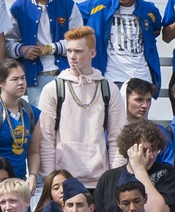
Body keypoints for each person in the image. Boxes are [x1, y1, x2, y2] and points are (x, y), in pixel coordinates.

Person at [38, 26, 125, 189]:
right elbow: (46, 138)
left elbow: (117, 138)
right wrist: (50, 181)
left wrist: (114, 179)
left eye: (78, 51)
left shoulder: (109, 89)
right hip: (63, 181)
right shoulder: (53, 89)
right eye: (69, 51)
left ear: (92, 53)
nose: (72, 56)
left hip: (100, 182)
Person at [5, 0, 84, 105]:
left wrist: (51, 48)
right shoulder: (18, 7)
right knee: (39, 122)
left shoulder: (67, 4)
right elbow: (7, 42)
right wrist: (22, 50)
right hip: (33, 78)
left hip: (65, 75)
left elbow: (79, 40)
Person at [78, 0, 163, 93]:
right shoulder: (99, 6)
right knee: (110, 113)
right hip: (111, 77)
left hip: (142, 76)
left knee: (139, 113)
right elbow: (69, 13)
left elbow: (155, 30)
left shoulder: (149, 10)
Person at [92, 119, 175, 212]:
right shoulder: (108, 178)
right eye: (143, 150)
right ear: (129, 149)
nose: (150, 156)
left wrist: (139, 169)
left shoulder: (168, 173)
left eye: (154, 149)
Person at [0, 58, 39, 192]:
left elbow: (34, 152)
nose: (21, 83)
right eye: (15, 79)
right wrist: (4, 186)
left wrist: (32, 176)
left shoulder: (31, 112)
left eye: (23, 78)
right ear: (1, 83)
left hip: (19, 181)